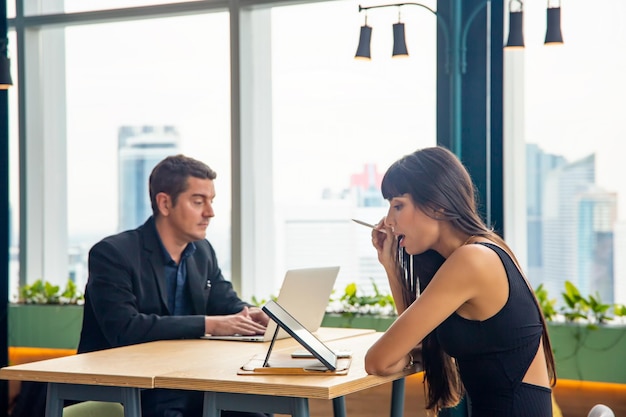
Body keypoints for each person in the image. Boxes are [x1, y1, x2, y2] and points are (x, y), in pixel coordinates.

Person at [364, 146, 556, 417]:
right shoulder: (479, 250)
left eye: (398, 205)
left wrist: (404, 355)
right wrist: (392, 267)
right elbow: (408, 345)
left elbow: (378, 360)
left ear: (437, 204)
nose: (389, 221)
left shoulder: (472, 260)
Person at [77, 154, 269, 417]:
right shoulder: (112, 254)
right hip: (131, 386)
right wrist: (210, 324)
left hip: (189, 380)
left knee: (256, 410)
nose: (210, 213)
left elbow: (226, 302)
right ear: (165, 203)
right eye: (198, 201)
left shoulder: (202, 252)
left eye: (211, 202)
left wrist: (254, 315)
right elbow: (125, 328)